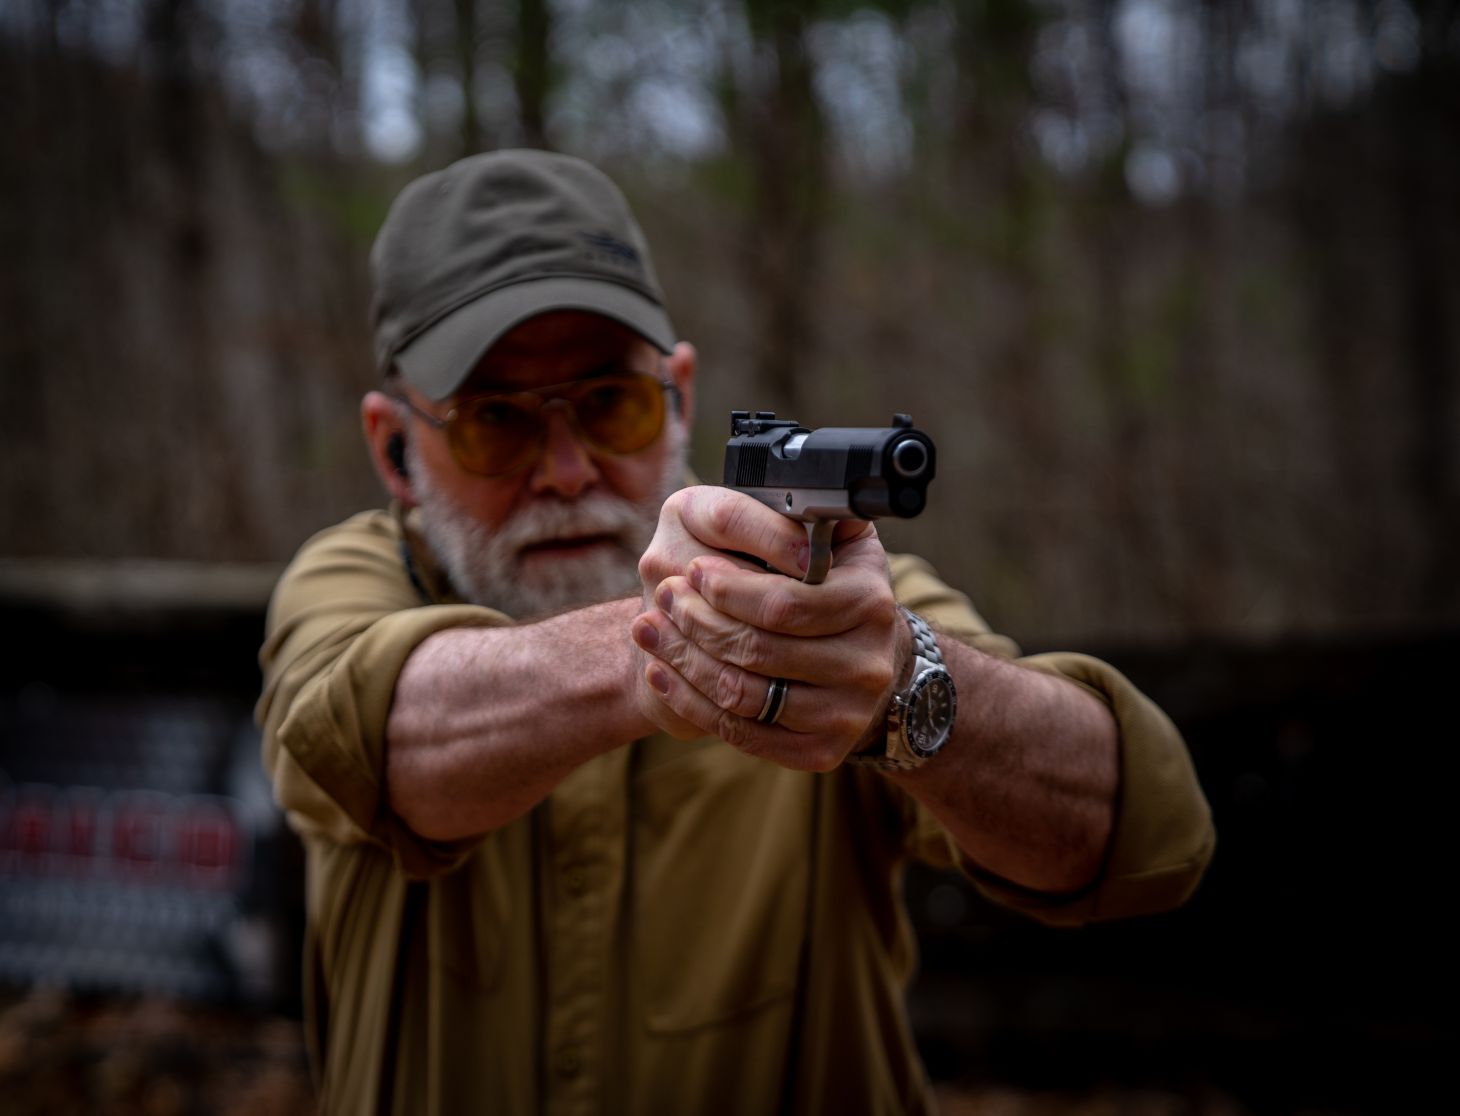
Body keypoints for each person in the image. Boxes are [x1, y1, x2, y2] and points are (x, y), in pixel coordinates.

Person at [257, 149, 1214, 1116]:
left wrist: (905, 685)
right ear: (392, 445)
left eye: (610, 404)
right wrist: (677, 644)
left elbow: (1139, 832)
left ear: (676, 393)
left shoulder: (836, 603)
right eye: (494, 422)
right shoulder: (350, 578)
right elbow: (367, 735)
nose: (565, 468)